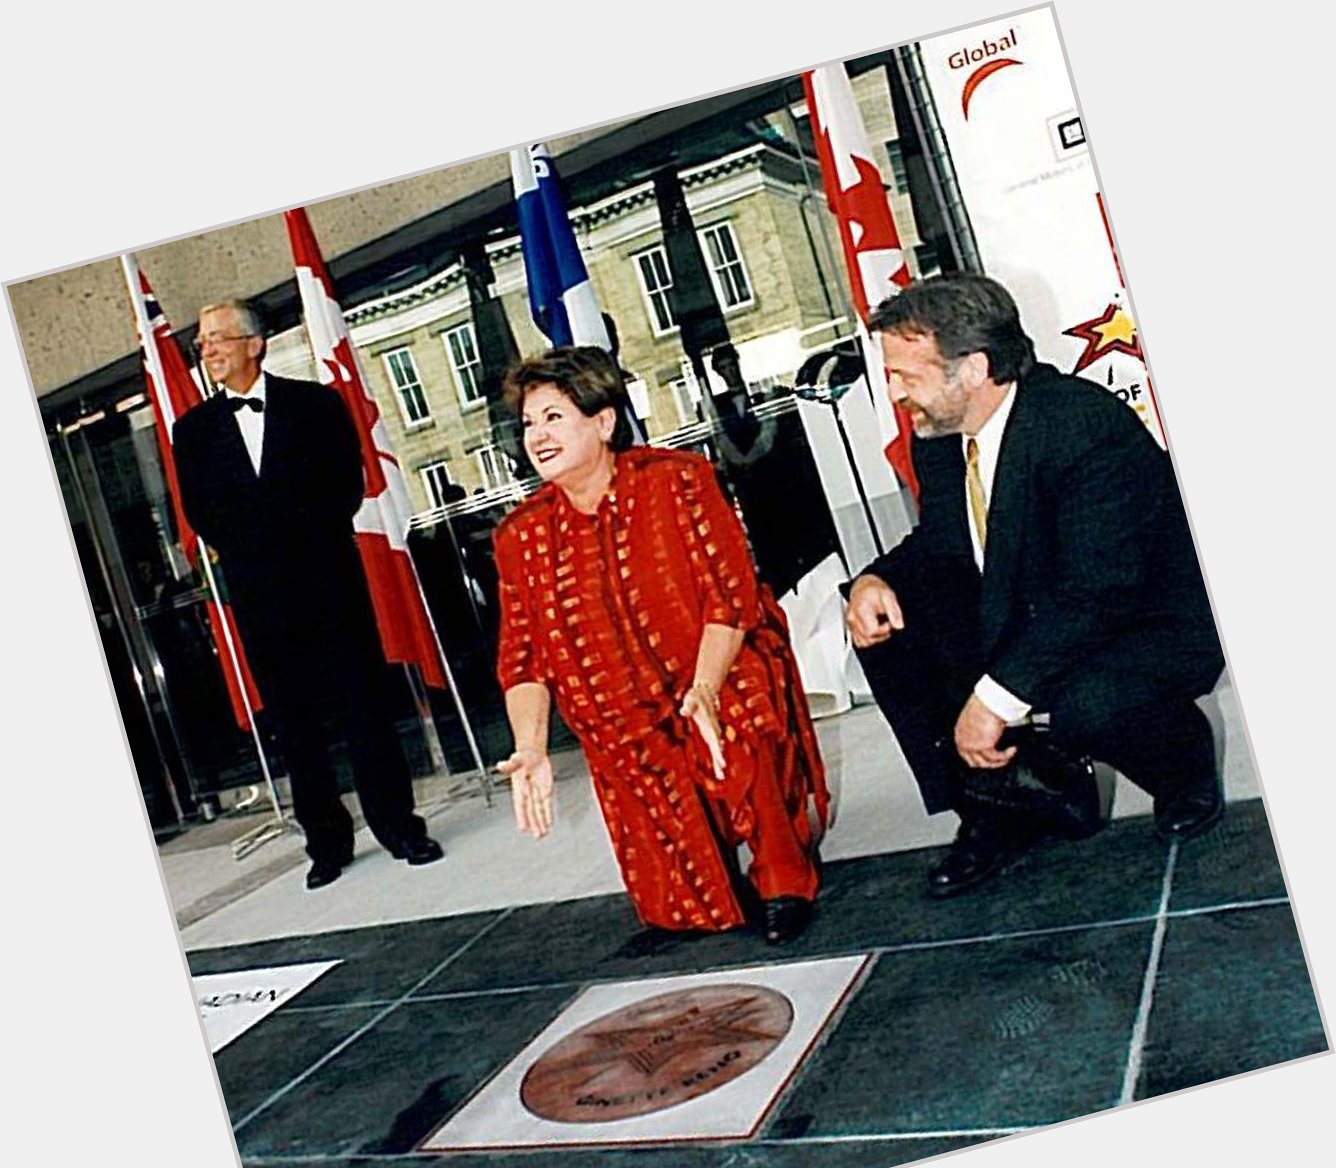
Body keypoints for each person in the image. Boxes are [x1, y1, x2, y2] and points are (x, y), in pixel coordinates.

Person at [845, 274, 1224, 897]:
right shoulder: (940, 440)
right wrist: (874, 579)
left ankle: (1181, 765)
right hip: (1045, 608)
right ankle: (996, 807)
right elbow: (945, 546)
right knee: (887, 626)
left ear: (972, 369)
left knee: (1087, 704)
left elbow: (1099, 593)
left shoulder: (1079, 424)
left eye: (906, 377)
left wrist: (993, 701)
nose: (894, 393)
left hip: (1141, 622)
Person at [493, 346, 828, 944]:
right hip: (620, 704)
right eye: (528, 424)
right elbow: (522, 655)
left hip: (713, 666)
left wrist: (703, 687)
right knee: (610, 723)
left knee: (741, 697)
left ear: (603, 422)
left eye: (554, 418)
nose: (537, 436)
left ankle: (783, 877)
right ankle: (691, 899)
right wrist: (531, 747)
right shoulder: (520, 535)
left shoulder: (677, 480)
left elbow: (732, 598)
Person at [173, 299, 443, 889]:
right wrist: (261, 549)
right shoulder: (191, 432)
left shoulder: (316, 405)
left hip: (329, 581)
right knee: (294, 725)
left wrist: (290, 535)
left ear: (256, 343)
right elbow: (204, 512)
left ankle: (400, 826)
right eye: (201, 343)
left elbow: (345, 486)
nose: (208, 350)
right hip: (260, 597)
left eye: (218, 338)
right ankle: (326, 843)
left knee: (364, 707)